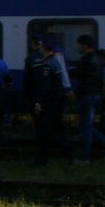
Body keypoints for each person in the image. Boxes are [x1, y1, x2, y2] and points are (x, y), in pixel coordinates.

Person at [29, 34, 77, 166]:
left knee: (44, 130)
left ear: (44, 47)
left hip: (49, 102)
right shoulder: (54, 61)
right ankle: (41, 160)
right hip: (54, 101)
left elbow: (45, 86)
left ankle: (70, 151)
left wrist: (39, 102)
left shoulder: (49, 64)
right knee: (48, 130)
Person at [70, 34, 105, 165]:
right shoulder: (95, 58)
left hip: (87, 96)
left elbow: (76, 73)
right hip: (92, 95)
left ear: (84, 45)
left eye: (78, 44)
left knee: (85, 128)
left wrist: (63, 71)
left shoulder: (87, 60)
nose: (77, 47)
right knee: (86, 126)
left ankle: (84, 157)